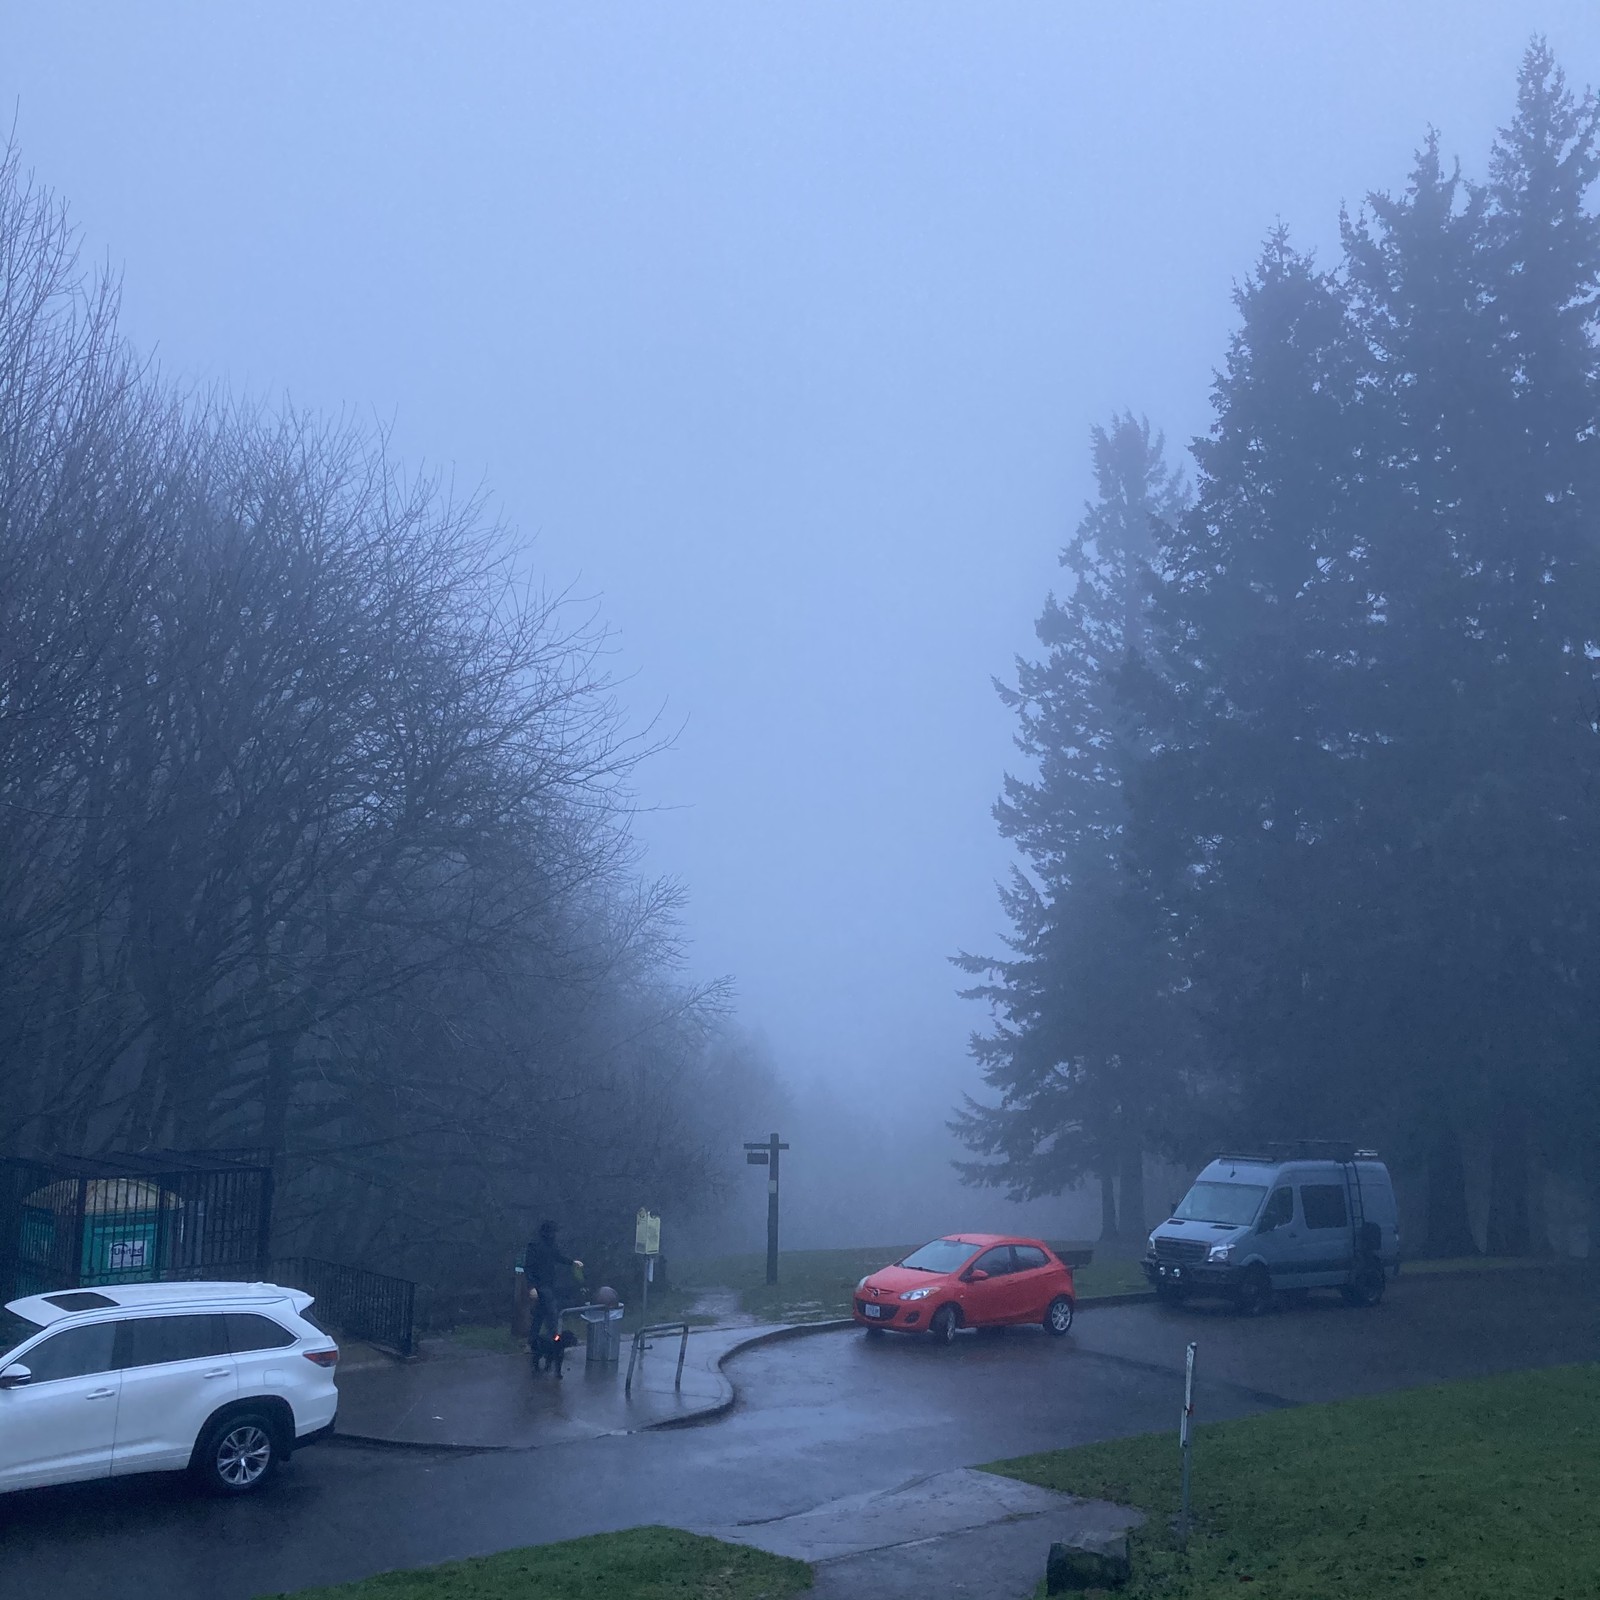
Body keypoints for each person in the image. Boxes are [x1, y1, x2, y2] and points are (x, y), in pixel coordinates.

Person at [524, 1220, 580, 1351]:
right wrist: (532, 1286)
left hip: (548, 1284)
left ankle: (532, 1343)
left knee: (539, 1315)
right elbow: (529, 1267)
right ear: (548, 1232)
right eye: (553, 1232)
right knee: (552, 1314)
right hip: (542, 1285)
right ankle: (554, 1342)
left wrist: (572, 1262)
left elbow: (558, 1257)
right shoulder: (535, 1246)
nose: (555, 1234)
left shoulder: (549, 1245)